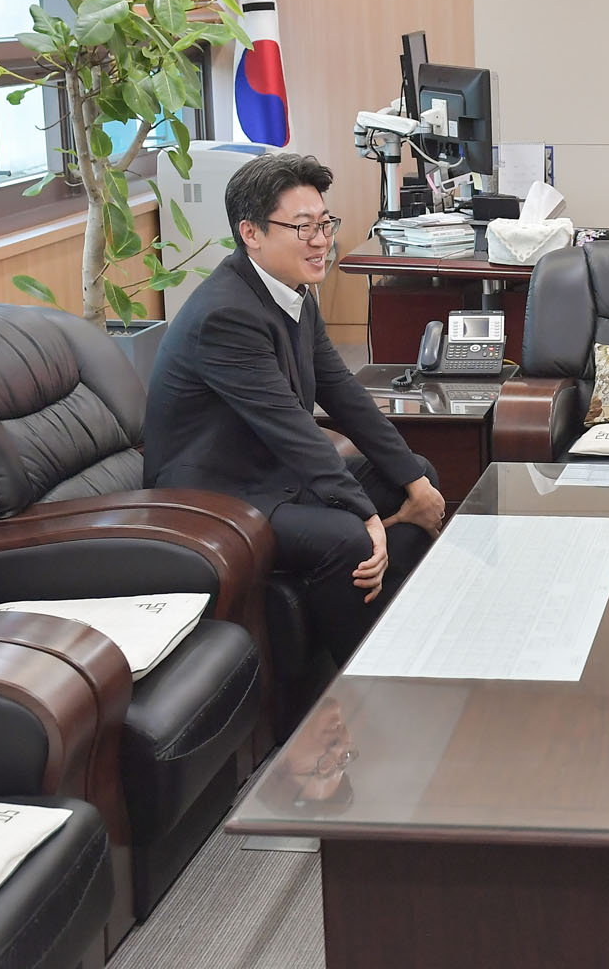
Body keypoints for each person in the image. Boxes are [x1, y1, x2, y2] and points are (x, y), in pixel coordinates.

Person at [145, 152, 444, 663]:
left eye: (325, 224)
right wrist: (364, 513)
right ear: (251, 233)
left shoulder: (292, 291)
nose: (321, 240)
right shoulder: (225, 315)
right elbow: (291, 428)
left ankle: (391, 639)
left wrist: (414, 482)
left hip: (268, 472)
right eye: (303, 227)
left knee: (416, 478)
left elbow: (343, 393)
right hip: (215, 494)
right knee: (348, 536)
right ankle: (357, 675)